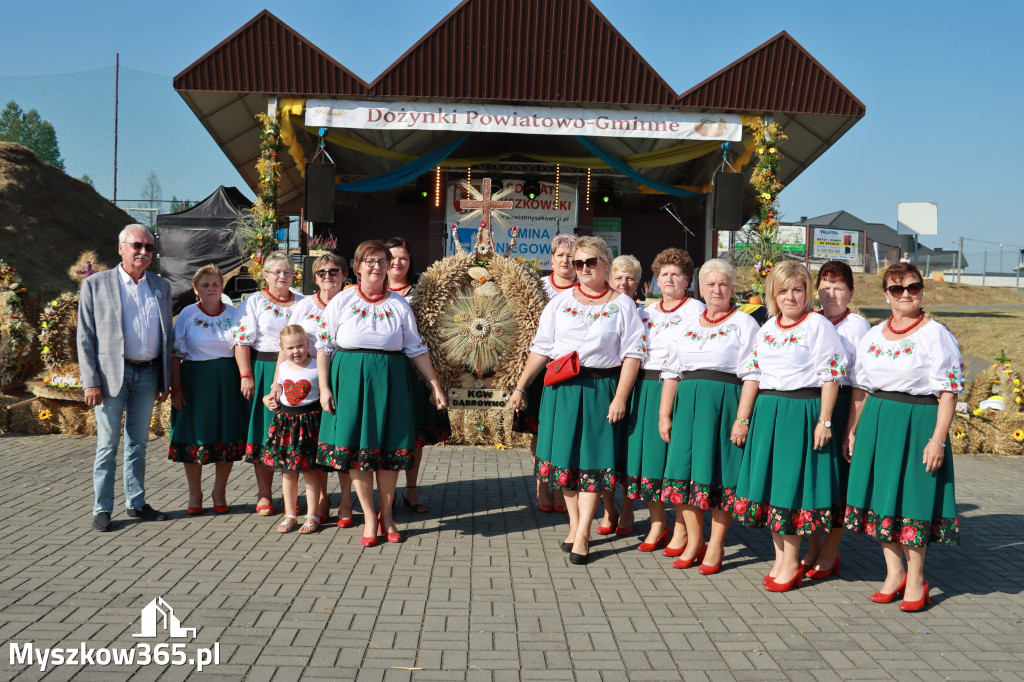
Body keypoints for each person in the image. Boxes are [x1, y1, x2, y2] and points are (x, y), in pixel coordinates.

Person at [509, 236, 645, 565]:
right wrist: (520, 386)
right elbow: (542, 347)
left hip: (601, 389)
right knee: (565, 464)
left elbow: (632, 355)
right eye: (577, 263)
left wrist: (620, 397)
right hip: (562, 390)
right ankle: (573, 525)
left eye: (590, 262)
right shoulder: (558, 303)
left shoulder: (622, 305)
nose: (582, 269)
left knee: (593, 465)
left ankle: (583, 532)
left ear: (605, 265)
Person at [844, 263, 962, 611]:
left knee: (912, 501)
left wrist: (938, 439)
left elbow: (949, 391)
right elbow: (861, 388)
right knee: (882, 500)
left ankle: (916, 578)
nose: (906, 294)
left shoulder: (935, 334)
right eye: (897, 289)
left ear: (921, 290)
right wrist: (852, 430)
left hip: (918, 422)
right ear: (886, 294)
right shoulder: (873, 335)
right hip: (878, 422)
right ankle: (893, 573)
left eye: (913, 287)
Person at [315, 240, 447, 547]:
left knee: (389, 453)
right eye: (370, 261)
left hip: (390, 379)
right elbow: (324, 346)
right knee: (359, 453)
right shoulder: (343, 301)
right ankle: (369, 516)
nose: (376, 267)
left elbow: (416, 348)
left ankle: (387, 516)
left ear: (389, 267)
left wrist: (435, 386)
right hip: (349, 378)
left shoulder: (399, 305)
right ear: (358, 267)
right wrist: (324, 387)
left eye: (382, 261)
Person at [732, 261, 847, 592]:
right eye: (783, 290)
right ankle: (782, 559)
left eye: (797, 289)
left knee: (790, 489)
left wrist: (824, 420)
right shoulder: (767, 328)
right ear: (773, 294)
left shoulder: (818, 326)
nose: (790, 297)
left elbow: (830, 376)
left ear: (808, 292)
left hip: (801, 411)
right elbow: (752, 375)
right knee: (771, 488)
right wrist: (743, 418)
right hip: (769, 412)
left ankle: (792, 562)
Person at [658, 259, 759, 573]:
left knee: (719, 475)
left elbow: (753, 374)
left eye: (723, 284)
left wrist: (742, 419)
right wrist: (664, 414)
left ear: (732, 288)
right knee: (681, 475)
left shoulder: (744, 324)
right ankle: (694, 540)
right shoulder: (687, 324)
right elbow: (672, 372)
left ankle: (715, 544)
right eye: (711, 284)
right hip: (687, 406)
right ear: (700, 287)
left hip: (724, 404)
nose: (717, 289)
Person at [78, 224, 173, 532]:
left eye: (148, 247)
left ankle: (136, 502)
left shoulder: (160, 285)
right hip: (109, 377)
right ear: (121, 248)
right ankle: (102, 508)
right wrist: (90, 380)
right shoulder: (96, 285)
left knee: (138, 444)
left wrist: (164, 379)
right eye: (137, 246)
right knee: (107, 446)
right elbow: (86, 337)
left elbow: (165, 334)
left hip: (147, 374)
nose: (143, 252)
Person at [622, 249, 705, 555]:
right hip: (644, 386)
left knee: (675, 463)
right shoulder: (646, 311)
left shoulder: (697, 309)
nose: (669, 280)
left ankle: (682, 530)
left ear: (687, 280)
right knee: (645, 460)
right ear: (655, 279)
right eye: (663, 274)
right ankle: (658, 522)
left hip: (678, 388)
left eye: (676, 274)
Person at [799, 261, 872, 579]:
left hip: (843, 405)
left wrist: (850, 428)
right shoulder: (810, 320)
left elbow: (861, 383)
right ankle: (814, 545)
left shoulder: (857, 327)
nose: (831, 294)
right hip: (811, 404)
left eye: (839, 287)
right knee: (813, 479)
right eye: (825, 287)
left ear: (851, 292)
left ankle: (830, 551)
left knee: (839, 481)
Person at [168, 265, 247, 515]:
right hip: (195, 381)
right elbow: (175, 355)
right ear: (195, 290)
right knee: (195, 436)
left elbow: (241, 346)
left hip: (227, 381)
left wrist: (246, 377)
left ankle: (220, 491)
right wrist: (176, 388)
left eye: (215, 284)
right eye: (205, 285)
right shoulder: (188, 314)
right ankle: (195, 493)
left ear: (222, 287)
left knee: (226, 435)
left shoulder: (235, 314)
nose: (211, 289)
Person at [233, 251, 303, 515]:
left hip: (296, 369)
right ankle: (264, 494)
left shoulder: (302, 302)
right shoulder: (254, 302)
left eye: (287, 272)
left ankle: (291, 495)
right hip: (264, 367)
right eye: (277, 272)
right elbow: (242, 340)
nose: (283, 276)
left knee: (293, 431)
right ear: (265, 275)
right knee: (266, 431)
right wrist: (247, 375)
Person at [385, 236, 450, 514]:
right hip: (384, 368)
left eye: (404, 257)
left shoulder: (422, 291)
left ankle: (411, 489)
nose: (397, 262)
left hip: (415, 369)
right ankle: (384, 494)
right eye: (393, 257)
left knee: (414, 432)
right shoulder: (369, 291)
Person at [288, 253, 350, 526]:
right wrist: (277, 381)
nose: (328, 276)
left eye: (334, 271)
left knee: (344, 439)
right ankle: (323, 498)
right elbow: (287, 344)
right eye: (322, 272)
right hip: (312, 385)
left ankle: (347, 500)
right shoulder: (303, 307)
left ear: (344, 275)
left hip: (346, 378)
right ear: (314, 278)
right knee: (318, 443)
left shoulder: (352, 302)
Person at [517, 232, 576, 514]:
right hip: (542, 367)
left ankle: (563, 485)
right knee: (539, 429)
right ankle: (542, 485)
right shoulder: (536, 287)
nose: (565, 260)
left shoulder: (586, 287)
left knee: (566, 430)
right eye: (560, 255)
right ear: (551, 260)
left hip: (575, 370)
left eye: (570, 255)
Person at [262, 325, 324, 534]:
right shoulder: (283, 367)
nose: (295, 351)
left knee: (310, 473)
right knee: (288, 473)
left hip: (309, 424)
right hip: (286, 425)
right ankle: (290, 514)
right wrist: (268, 398)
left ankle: (312, 515)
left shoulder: (317, 366)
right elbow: (276, 387)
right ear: (282, 348)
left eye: (300, 346)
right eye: (290, 348)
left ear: (308, 344)